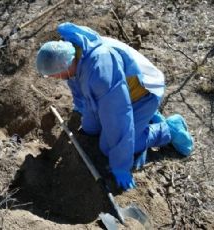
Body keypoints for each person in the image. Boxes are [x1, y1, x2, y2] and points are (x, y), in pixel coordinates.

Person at [36, 22, 194, 191]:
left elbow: (118, 118)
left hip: (143, 93)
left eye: (53, 75)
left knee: (108, 147)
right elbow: (79, 88)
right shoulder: (73, 53)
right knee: (90, 127)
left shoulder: (100, 73)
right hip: (120, 91)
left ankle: (169, 129)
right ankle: (146, 118)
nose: (53, 78)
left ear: (64, 66)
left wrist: (121, 166)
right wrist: (82, 110)